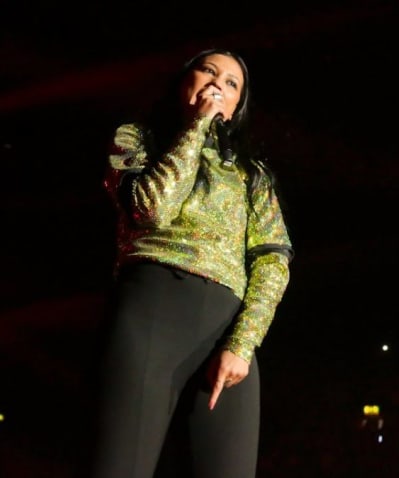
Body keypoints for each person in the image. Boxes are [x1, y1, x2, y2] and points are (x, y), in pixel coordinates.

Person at [89, 47, 293, 478]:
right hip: (150, 313)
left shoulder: (251, 174)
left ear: (236, 107)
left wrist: (242, 344)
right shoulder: (136, 139)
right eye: (208, 71)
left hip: (226, 332)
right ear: (185, 81)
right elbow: (151, 209)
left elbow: (273, 260)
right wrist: (196, 126)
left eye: (231, 83)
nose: (218, 83)